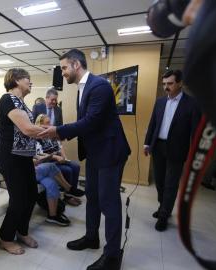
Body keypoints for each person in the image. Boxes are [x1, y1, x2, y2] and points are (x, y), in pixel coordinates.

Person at [39, 49, 131, 270]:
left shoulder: (98, 86)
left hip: (109, 152)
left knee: (109, 203)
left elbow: (91, 122)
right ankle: (91, 237)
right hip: (95, 153)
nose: (62, 73)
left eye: (63, 68)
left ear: (76, 65)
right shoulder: (83, 87)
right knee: (92, 196)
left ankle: (111, 257)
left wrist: (57, 131)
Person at [144, 70, 201, 232]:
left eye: (170, 83)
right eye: (164, 84)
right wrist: (147, 144)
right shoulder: (160, 102)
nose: (166, 87)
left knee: (171, 183)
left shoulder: (192, 104)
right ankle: (163, 205)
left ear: (180, 83)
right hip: (158, 147)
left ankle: (164, 215)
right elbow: (153, 124)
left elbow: (196, 131)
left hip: (177, 149)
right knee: (160, 181)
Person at [0, 68, 45, 255]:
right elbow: (27, 129)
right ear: (16, 80)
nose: (31, 82)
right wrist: (56, 131)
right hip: (10, 157)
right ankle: (6, 237)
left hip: (23, 157)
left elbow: (29, 130)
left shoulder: (22, 103)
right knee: (18, 199)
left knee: (32, 194)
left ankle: (22, 231)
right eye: (28, 79)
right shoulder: (8, 99)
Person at [35, 114, 84, 206]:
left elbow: (60, 146)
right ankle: (66, 196)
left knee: (76, 166)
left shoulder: (51, 132)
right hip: (48, 161)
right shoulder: (38, 136)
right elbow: (40, 154)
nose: (50, 124)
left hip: (58, 158)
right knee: (68, 170)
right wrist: (56, 157)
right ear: (40, 124)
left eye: (50, 122)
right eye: (47, 123)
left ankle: (71, 191)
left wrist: (64, 157)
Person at [34, 162, 71, 226]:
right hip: (27, 172)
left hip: (35, 170)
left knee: (51, 183)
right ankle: (69, 189)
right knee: (51, 166)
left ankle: (52, 216)